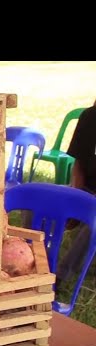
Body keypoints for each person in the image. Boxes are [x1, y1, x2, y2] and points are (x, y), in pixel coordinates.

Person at [55, 99, 96, 286]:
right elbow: (79, 164)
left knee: (93, 221)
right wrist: (75, 197)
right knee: (32, 202)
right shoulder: (90, 117)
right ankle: (32, 261)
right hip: (87, 190)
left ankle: (61, 275)